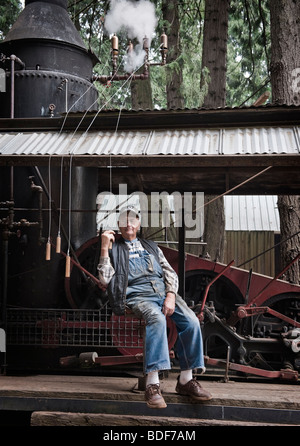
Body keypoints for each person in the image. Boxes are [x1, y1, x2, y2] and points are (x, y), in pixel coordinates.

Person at [97, 205, 212, 409]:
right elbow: (105, 279)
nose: (129, 224)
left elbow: (170, 274)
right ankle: (153, 384)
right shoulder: (114, 249)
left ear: (139, 223)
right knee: (157, 319)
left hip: (163, 293)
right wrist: (104, 247)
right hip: (138, 296)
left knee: (192, 321)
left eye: (133, 220)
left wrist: (170, 296)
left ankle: (186, 380)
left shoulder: (151, 246)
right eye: (124, 220)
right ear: (119, 225)